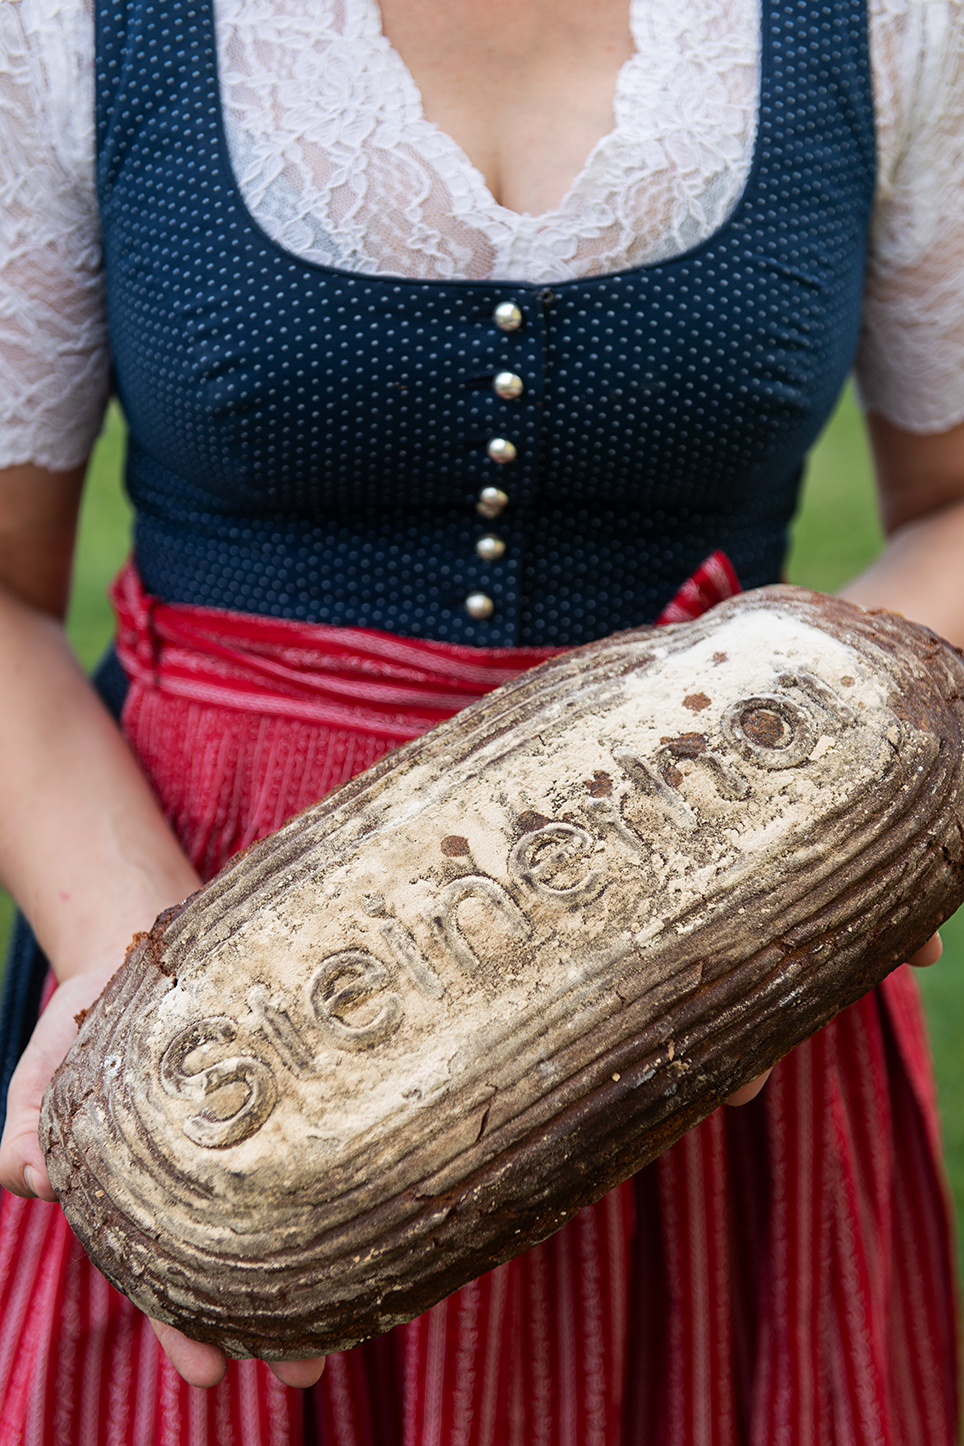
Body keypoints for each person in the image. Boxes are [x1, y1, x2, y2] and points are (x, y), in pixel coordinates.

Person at [0, 0, 962, 1440]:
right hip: (226, 942)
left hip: (711, 923)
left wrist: (823, 792)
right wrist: (142, 971)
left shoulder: (887, 21)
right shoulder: (73, 25)